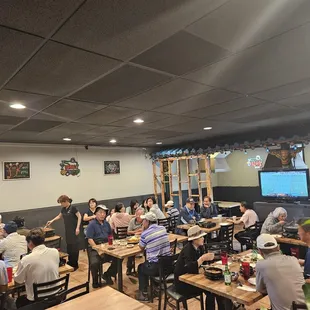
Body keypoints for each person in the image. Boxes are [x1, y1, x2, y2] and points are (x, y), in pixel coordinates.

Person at [175, 225, 228, 310]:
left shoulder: (200, 247)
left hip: (193, 278)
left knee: (218, 290)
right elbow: (189, 268)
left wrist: (210, 259)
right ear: (194, 239)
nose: (203, 238)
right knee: (211, 291)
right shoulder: (188, 249)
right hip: (183, 284)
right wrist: (202, 259)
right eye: (201, 237)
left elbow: (202, 265)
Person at [256, 234, 305, 310]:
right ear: (278, 247)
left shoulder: (261, 265)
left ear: (260, 251)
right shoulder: (293, 260)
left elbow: (260, 289)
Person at [14, 228, 59, 309]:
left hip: (37, 302)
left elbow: (18, 280)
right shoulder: (55, 252)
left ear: (30, 242)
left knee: (19, 301)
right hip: (57, 296)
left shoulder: (26, 259)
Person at [136, 212, 171, 302]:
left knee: (141, 267)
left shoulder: (145, 234)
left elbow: (141, 248)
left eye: (144, 220)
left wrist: (143, 231)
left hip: (156, 268)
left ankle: (144, 294)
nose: (142, 222)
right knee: (150, 262)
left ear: (147, 221)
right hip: (168, 266)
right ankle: (157, 287)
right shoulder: (163, 228)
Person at [46, 195, 81, 270]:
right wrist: (51, 221)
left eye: (61, 203)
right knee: (69, 246)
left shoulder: (73, 208)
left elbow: (79, 217)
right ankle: (70, 261)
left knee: (74, 247)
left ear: (66, 201)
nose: (61, 205)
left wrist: (77, 228)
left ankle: (75, 263)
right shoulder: (63, 209)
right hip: (67, 230)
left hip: (74, 230)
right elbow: (59, 216)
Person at [86, 205, 117, 288]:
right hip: (94, 247)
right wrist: (98, 249)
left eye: (104, 213)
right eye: (100, 212)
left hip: (106, 246)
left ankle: (107, 274)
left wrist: (112, 244)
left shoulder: (106, 224)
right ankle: (95, 281)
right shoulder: (91, 224)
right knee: (95, 263)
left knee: (119, 258)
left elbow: (111, 235)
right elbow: (90, 239)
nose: (102, 214)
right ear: (96, 213)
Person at [126, 208, 144, 275]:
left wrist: (140, 231)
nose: (138, 216)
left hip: (143, 239)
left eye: (140, 215)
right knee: (131, 253)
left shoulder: (145, 221)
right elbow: (128, 232)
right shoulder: (132, 221)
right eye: (137, 215)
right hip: (133, 240)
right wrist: (136, 231)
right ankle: (129, 269)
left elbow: (145, 230)